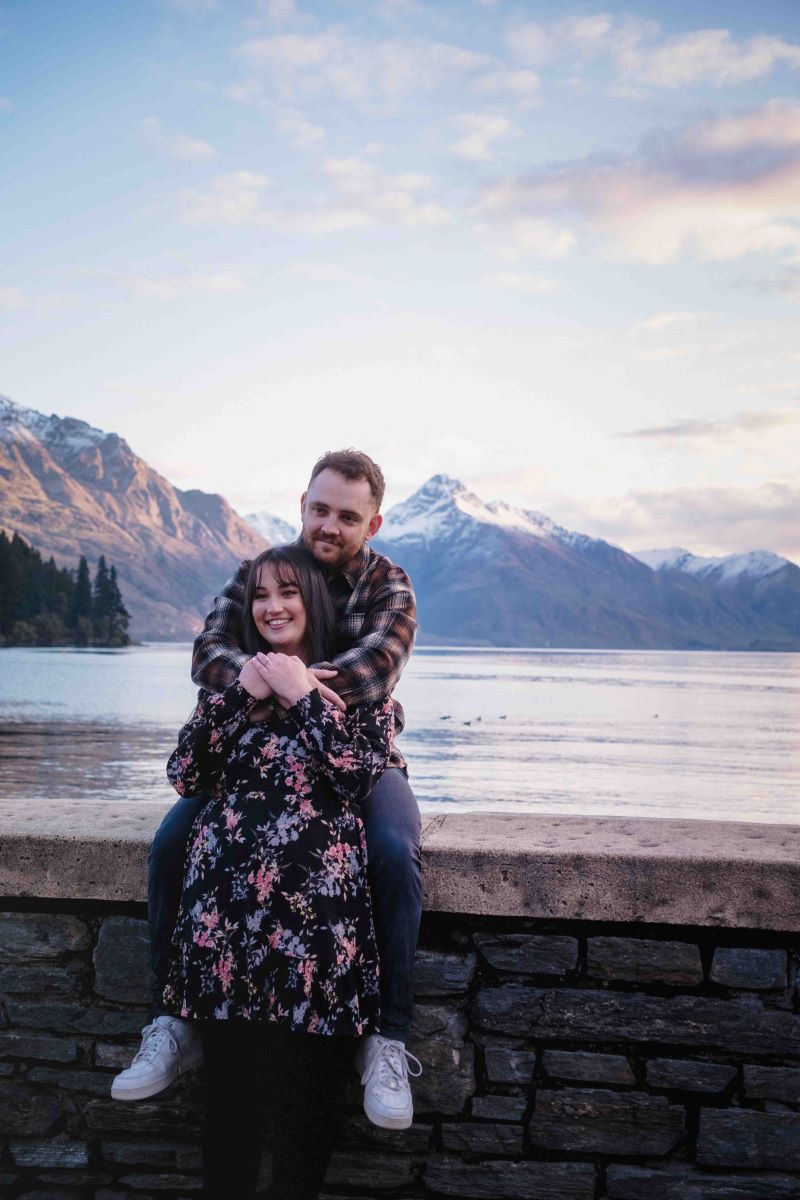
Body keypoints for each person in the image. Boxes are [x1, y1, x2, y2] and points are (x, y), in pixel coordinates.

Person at [112, 449, 423, 1130]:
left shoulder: (389, 587)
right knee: (169, 845)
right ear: (303, 504)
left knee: (396, 852)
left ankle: (387, 1038)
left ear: (372, 524)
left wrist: (289, 685)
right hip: (248, 753)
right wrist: (260, 679)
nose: (328, 525)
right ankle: (174, 1022)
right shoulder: (263, 571)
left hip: (358, 752)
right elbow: (209, 654)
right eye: (319, 509)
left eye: (347, 515)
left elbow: (372, 671)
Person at [159, 544, 392, 1198]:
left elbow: (359, 777)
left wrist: (303, 695)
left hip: (316, 936)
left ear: (311, 602)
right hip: (224, 931)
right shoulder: (235, 687)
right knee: (229, 1107)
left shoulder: (349, 688)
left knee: (304, 1108)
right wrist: (244, 694)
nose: (272, 607)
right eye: (261, 595)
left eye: (287, 592)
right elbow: (184, 775)